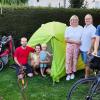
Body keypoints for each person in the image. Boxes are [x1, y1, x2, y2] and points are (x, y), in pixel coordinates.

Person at [65, 15, 83, 81]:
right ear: (70, 21)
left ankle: (73, 73)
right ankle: (68, 74)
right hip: (69, 46)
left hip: (77, 47)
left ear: (78, 21)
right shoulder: (68, 28)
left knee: (75, 60)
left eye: (75, 20)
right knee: (68, 60)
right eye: (72, 20)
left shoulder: (81, 28)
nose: (73, 21)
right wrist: (75, 41)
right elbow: (66, 40)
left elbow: (82, 38)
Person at [80, 14, 96, 78]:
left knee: (87, 64)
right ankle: (89, 75)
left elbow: (93, 39)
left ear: (91, 20)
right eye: (86, 19)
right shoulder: (85, 27)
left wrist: (90, 49)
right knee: (85, 63)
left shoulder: (93, 28)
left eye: (89, 19)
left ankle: (86, 78)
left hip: (87, 50)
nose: (87, 20)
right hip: (82, 49)